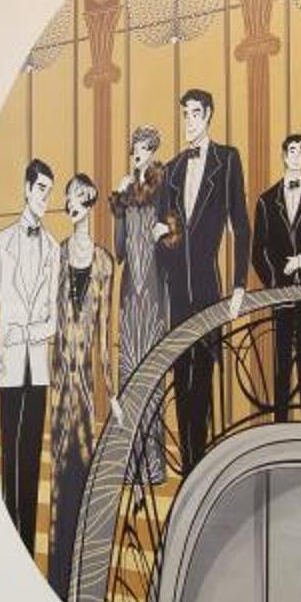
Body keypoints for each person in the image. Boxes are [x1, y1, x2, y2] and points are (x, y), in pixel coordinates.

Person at [161, 87, 249, 467]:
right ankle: (189, 468)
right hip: (178, 293)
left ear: (209, 114)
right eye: (185, 114)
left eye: (195, 113)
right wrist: (161, 241)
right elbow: (166, 233)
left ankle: (201, 468)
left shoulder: (227, 159)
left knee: (204, 380)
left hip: (210, 287)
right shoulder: (171, 169)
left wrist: (239, 285)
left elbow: (241, 226)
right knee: (182, 381)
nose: (189, 121)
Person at [0, 159, 59, 551]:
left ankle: (25, 548)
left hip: (37, 369)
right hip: (8, 368)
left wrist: (26, 332)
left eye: (49, 191)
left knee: (31, 461)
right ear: (26, 189)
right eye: (41, 189)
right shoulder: (1, 243)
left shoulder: (53, 249)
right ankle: (8, 547)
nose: (45, 197)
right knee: (10, 460)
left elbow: (53, 321)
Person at [45, 173, 118, 588]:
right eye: (67, 197)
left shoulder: (105, 262)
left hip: (86, 387)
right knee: (60, 473)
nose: (70, 203)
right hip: (60, 381)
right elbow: (49, 319)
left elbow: (105, 333)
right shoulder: (56, 255)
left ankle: (82, 569)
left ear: (89, 202)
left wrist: (112, 391)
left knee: (84, 470)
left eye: (76, 197)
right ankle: (57, 574)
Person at [107, 125, 173, 486]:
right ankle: (130, 463)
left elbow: (172, 239)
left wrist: (166, 232)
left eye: (145, 147)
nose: (138, 152)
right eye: (135, 147)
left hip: (154, 291)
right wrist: (119, 205)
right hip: (130, 292)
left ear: (153, 152)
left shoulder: (163, 188)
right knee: (129, 374)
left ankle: (154, 464)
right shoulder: (125, 190)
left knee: (152, 376)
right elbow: (118, 251)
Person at [250, 132, 301, 420]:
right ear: (284, 155)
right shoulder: (266, 200)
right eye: (292, 150)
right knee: (281, 361)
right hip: (281, 294)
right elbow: (258, 252)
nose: (297, 156)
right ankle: (281, 422)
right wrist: (275, 281)